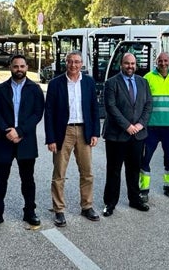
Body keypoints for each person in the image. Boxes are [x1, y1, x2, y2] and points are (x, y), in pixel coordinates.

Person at [0, 54, 45, 230]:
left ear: (27, 68)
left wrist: (20, 131)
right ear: (10, 67)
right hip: (4, 140)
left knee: (28, 180)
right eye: (16, 66)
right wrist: (7, 131)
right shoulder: (0, 89)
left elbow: (37, 113)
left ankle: (30, 212)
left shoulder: (35, 89)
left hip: (26, 141)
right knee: (0, 181)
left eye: (22, 66)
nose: (19, 69)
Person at [44, 51, 101, 225]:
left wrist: (95, 133)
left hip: (84, 131)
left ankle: (87, 206)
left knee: (87, 172)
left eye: (77, 62)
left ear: (82, 64)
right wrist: (51, 138)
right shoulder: (55, 84)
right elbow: (49, 113)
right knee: (59, 173)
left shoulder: (89, 82)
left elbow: (94, 108)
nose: (73, 65)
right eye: (70, 62)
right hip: (64, 132)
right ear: (65, 63)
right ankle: (59, 209)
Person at [101, 53, 152, 216]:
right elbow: (111, 107)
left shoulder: (143, 82)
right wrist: (127, 126)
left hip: (137, 135)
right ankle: (110, 203)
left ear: (136, 65)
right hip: (117, 135)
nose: (130, 66)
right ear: (121, 64)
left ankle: (135, 199)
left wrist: (140, 124)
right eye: (127, 63)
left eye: (132, 64)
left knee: (134, 169)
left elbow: (148, 105)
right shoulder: (111, 83)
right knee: (114, 170)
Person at [139, 52, 169, 202]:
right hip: (150, 127)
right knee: (145, 158)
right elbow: (141, 102)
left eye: (165, 60)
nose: (163, 63)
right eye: (160, 61)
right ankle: (143, 190)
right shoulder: (147, 78)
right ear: (156, 62)